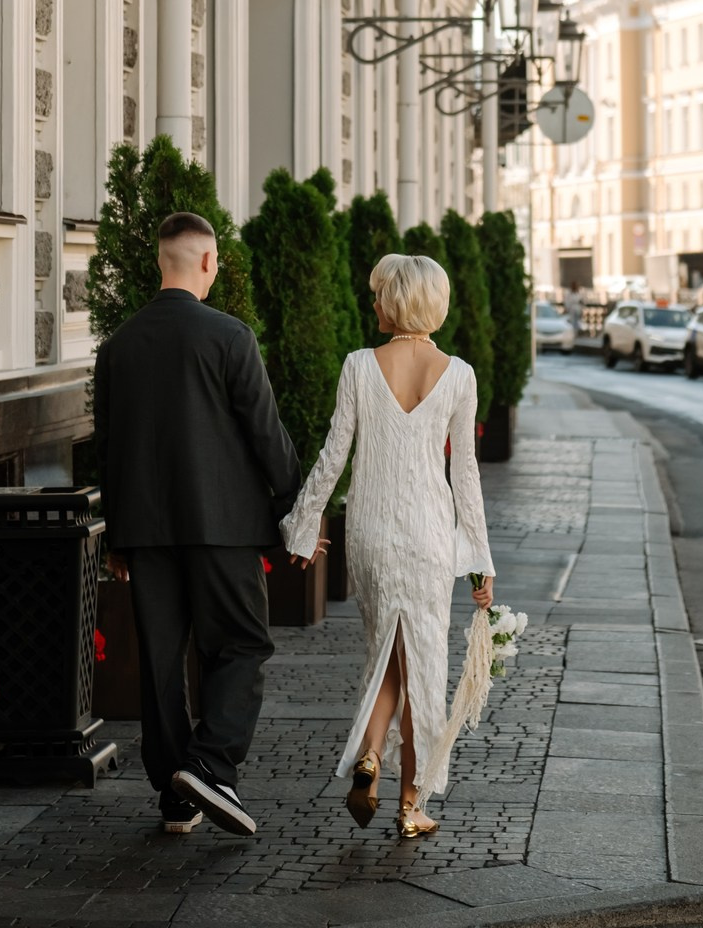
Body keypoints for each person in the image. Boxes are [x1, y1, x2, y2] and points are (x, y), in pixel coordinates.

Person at [93, 211, 300, 839]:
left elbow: (109, 446)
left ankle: (175, 794)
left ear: (162, 261)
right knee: (241, 644)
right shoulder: (229, 336)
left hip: (147, 532)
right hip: (224, 526)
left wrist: (119, 534)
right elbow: (265, 432)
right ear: (207, 262)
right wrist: (298, 507)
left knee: (160, 661)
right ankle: (210, 765)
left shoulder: (117, 347)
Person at [280, 252, 494, 840]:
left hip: (370, 533)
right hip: (429, 535)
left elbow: (333, 457)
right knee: (421, 666)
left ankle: (371, 753)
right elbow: (465, 477)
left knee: (386, 655)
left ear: (397, 301)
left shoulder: (357, 365)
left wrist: (304, 524)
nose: (371, 303)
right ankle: (409, 805)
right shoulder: (459, 374)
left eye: (377, 294)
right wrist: (478, 561)